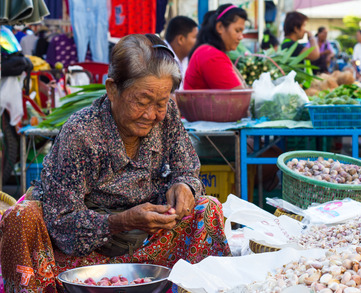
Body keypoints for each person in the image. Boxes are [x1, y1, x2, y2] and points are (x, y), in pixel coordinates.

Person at [0, 34, 230, 292]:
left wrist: (184, 186)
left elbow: (187, 168)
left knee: (208, 208)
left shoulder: (167, 116)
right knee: (21, 217)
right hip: (80, 257)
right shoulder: (82, 133)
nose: (151, 114)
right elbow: (62, 224)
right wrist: (123, 221)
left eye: (161, 104)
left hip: (148, 247)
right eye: (141, 102)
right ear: (112, 90)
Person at [184, 3, 248, 89]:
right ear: (220, 27)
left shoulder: (208, 51)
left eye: (242, 32)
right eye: (237, 30)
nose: (241, 37)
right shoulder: (211, 56)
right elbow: (239, 98)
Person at [164, 16, 198, 88]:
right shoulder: (161, 57)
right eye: (195, 37)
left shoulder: (186, 58)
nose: (197, 42)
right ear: (181, 39)